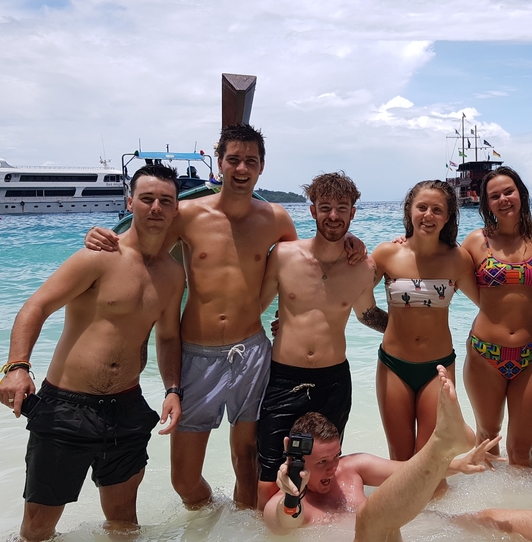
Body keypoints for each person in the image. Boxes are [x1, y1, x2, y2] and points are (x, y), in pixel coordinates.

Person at [84, 124, 364, 509]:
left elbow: (309, 261)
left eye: (251, 160)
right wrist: (100, 238)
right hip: (196, 354)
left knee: (247, 463)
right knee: (183, 480)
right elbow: (141, 249)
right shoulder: (186, 214)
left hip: (252, 353)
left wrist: (350, 240)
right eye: (233, 159)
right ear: (220, 163)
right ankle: (211, 518)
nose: (242, 168)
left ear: (262, 166)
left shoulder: (276, 219)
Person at [265, 366, 532, 542]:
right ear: (293, 452)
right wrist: (291, 498)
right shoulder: (283, 502)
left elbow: (406, 474)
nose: (331, 471)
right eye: (320, 464)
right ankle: (442, 441)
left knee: (492, 518)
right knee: (371, 518)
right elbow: (285, 523)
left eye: (333, 459)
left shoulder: (351, 467)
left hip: (412, 537)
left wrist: (456, 465)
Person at [0, 164, 186, 542]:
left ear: (176, 209)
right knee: (37, 530)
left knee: (124, 526)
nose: (155, 208)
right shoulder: (98, 256)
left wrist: (173, 389)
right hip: (67, 407)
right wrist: (17, 367)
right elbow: (35, 307)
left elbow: (167, 338)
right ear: (130, 202)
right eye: (146, 199)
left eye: (165, 201)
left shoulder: (171, 273)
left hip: (127, 409)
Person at [256, 172, 386, 509]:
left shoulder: (362, 267)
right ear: (312, 211)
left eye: (342, 208)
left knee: (323, 475)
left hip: (332, 381)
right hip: (283, 377)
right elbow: (254, 306)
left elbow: (368, 314)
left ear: (353, 213)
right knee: (270, 479)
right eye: (325, 207)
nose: (333, 215)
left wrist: (415, 328)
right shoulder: (283, 255)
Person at [371, 180, 477, 460]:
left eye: (437, 210)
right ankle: (400, 506)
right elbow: (348, 294)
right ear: (410, 211)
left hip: (438, 367)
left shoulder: (459, 259)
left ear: (448, 217)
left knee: (431, 456)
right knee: (400, 457)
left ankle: (437, 507)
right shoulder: (387, 253)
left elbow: (490, 304)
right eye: (422, 207)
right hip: (394, 365)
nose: (428, 215)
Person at [460, 167, 532, 468]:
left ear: (521, 194)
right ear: (486, 203)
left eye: (508, 192)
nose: (503, 199)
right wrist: (403, 240)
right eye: (494, 195)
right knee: (487, 439)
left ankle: (522, 509)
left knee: (522, 451)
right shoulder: (476, 242)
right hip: (485, 353)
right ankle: (486, 509)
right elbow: (434, 259)